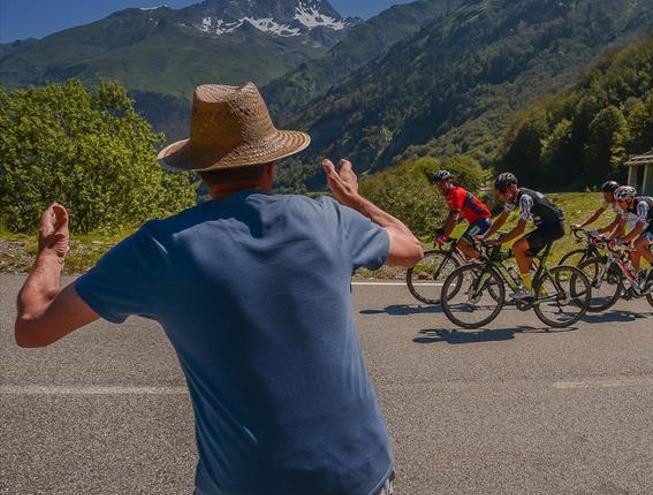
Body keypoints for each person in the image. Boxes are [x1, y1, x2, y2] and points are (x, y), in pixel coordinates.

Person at [14, 82, 423, 495]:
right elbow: (410, 248)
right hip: (361, 476)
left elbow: (33, 327)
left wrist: (52, 252)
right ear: (272, 165)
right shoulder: (327, 219)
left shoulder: (161, 246)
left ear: (200, 169)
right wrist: (353, 199)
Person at [484, 172, 566, 299]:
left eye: (503, 191)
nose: (501, 195)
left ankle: (528, 289)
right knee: (525, 254)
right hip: (545, 227)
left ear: (512, 187)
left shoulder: (524, 199)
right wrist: (485, 236)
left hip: (553, 228)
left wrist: (500, 241)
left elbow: (520, 228)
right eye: (498, 192)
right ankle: (539, 289)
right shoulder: (512, 198)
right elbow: (501, 220)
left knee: (517, 247)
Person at [613, 186, 653, 285]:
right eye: (616, 201)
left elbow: (639, 227)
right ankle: (637, 282)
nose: (617, 204)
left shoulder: (641, 205)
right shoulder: (626, 208)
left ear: (629, 200)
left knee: (638, 243)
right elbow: (620, 227)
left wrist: (623, 239)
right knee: (633, 251)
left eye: (619, 201)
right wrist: (609, 239)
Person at [430, 169, 492, 260]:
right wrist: (443, 230)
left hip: (482, 221)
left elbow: (454, 219)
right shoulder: (449, 195)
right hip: (476, 222)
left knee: (461, 245)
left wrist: (444, 237)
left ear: (448, 181)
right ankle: (478, 269)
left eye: (441, 184)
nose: (440, 187)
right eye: (437, 185)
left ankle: (485, 265)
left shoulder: (456, 193)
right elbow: (452, 216)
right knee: (468, 254)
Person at [571, 180, 637, 238]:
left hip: (638, 223)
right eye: (604, 194)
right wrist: (582, 225)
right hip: (626, 222)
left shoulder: (621, 203)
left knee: (617, 239)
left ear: (614, 194)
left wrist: (596, 232)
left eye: (607, 195)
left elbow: (615, 224)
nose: (605, 197)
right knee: (616, 243)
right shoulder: (608, 200)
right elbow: (597, 214)